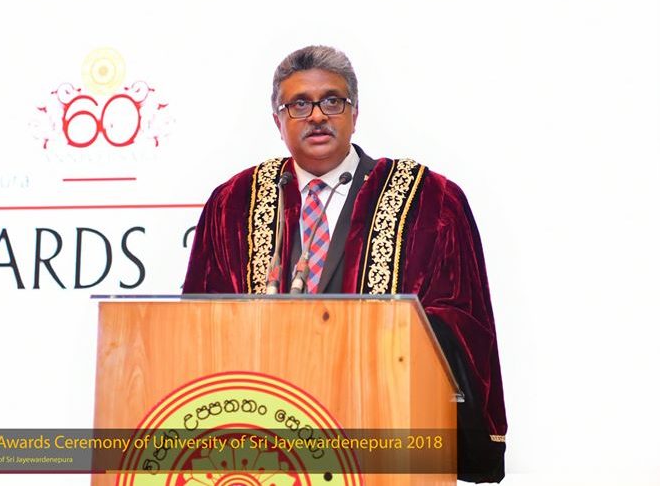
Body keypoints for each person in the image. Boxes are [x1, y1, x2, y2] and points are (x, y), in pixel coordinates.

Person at [182, 45, 507, 482]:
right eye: (299, 104)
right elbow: (198, 328)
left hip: (384, 447)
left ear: (355, 113)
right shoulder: (233, 203)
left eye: (332, 101)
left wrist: (380, 342)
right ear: (277, 121)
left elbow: (464, 325)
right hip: (265, 450)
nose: (317, 115)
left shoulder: (430, 201)